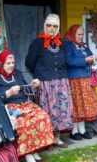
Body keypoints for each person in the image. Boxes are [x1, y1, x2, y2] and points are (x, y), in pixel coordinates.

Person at [0, 50, 54, 162]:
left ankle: (34, 150)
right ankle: (29, 157)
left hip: (24, 105)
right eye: (8, 63)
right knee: (24, 123)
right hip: (6, 109)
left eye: (13, 62)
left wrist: (33, 86)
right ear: (0, 63)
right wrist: (8, 93)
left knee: (42, 116)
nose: (11, 65)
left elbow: (26, 89)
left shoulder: (17, 73)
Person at [25, 14, 73, 148]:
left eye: (55, 26)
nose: (52, 28)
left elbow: (66, 62)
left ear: (58, 28)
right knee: (47, 111)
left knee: (60, 110)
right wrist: (38, 75)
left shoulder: (62, 43)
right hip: (45, 82)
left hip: (61, 82)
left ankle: (57, 138)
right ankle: (47, 140)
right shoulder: (37, 43)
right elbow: (29, 62)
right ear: (44, 26)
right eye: (49, 25)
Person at [64, 24, 97, 140]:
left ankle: (82, 129)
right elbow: (69, 61)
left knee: (84, 105)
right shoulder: (68, 45)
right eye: (78, 34)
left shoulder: (83, 46)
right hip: (75, 79)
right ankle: (74, 130)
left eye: (82, 34)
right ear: (73, 34)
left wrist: (93, 60)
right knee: (77, 104)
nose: (80, 37)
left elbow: (89, 56)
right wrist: (85, 60)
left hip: (86, 78)